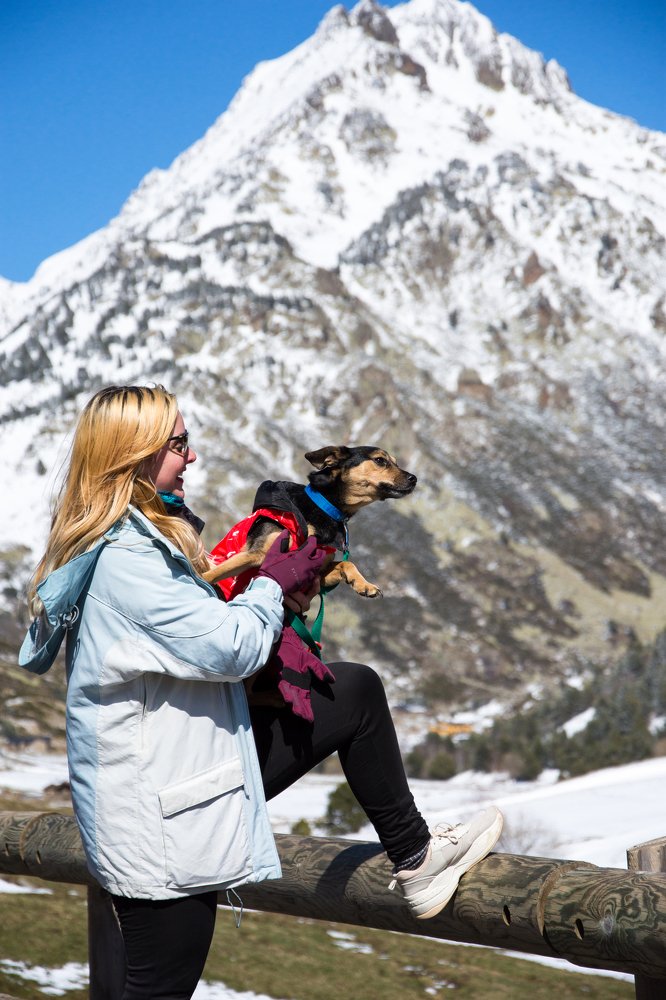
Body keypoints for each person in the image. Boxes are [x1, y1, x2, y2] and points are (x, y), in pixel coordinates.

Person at [23, 384, 503, 999]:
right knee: (156, 988)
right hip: (163, 820)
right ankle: (415, 861)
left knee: (352, 690)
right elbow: (229, 647)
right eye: (178, 443)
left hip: (166, 789)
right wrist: (272, 584)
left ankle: (414, 854)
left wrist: (273, 601)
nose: (191, 457)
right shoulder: (129, 559)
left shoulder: (124, 543)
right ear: (134, 455)